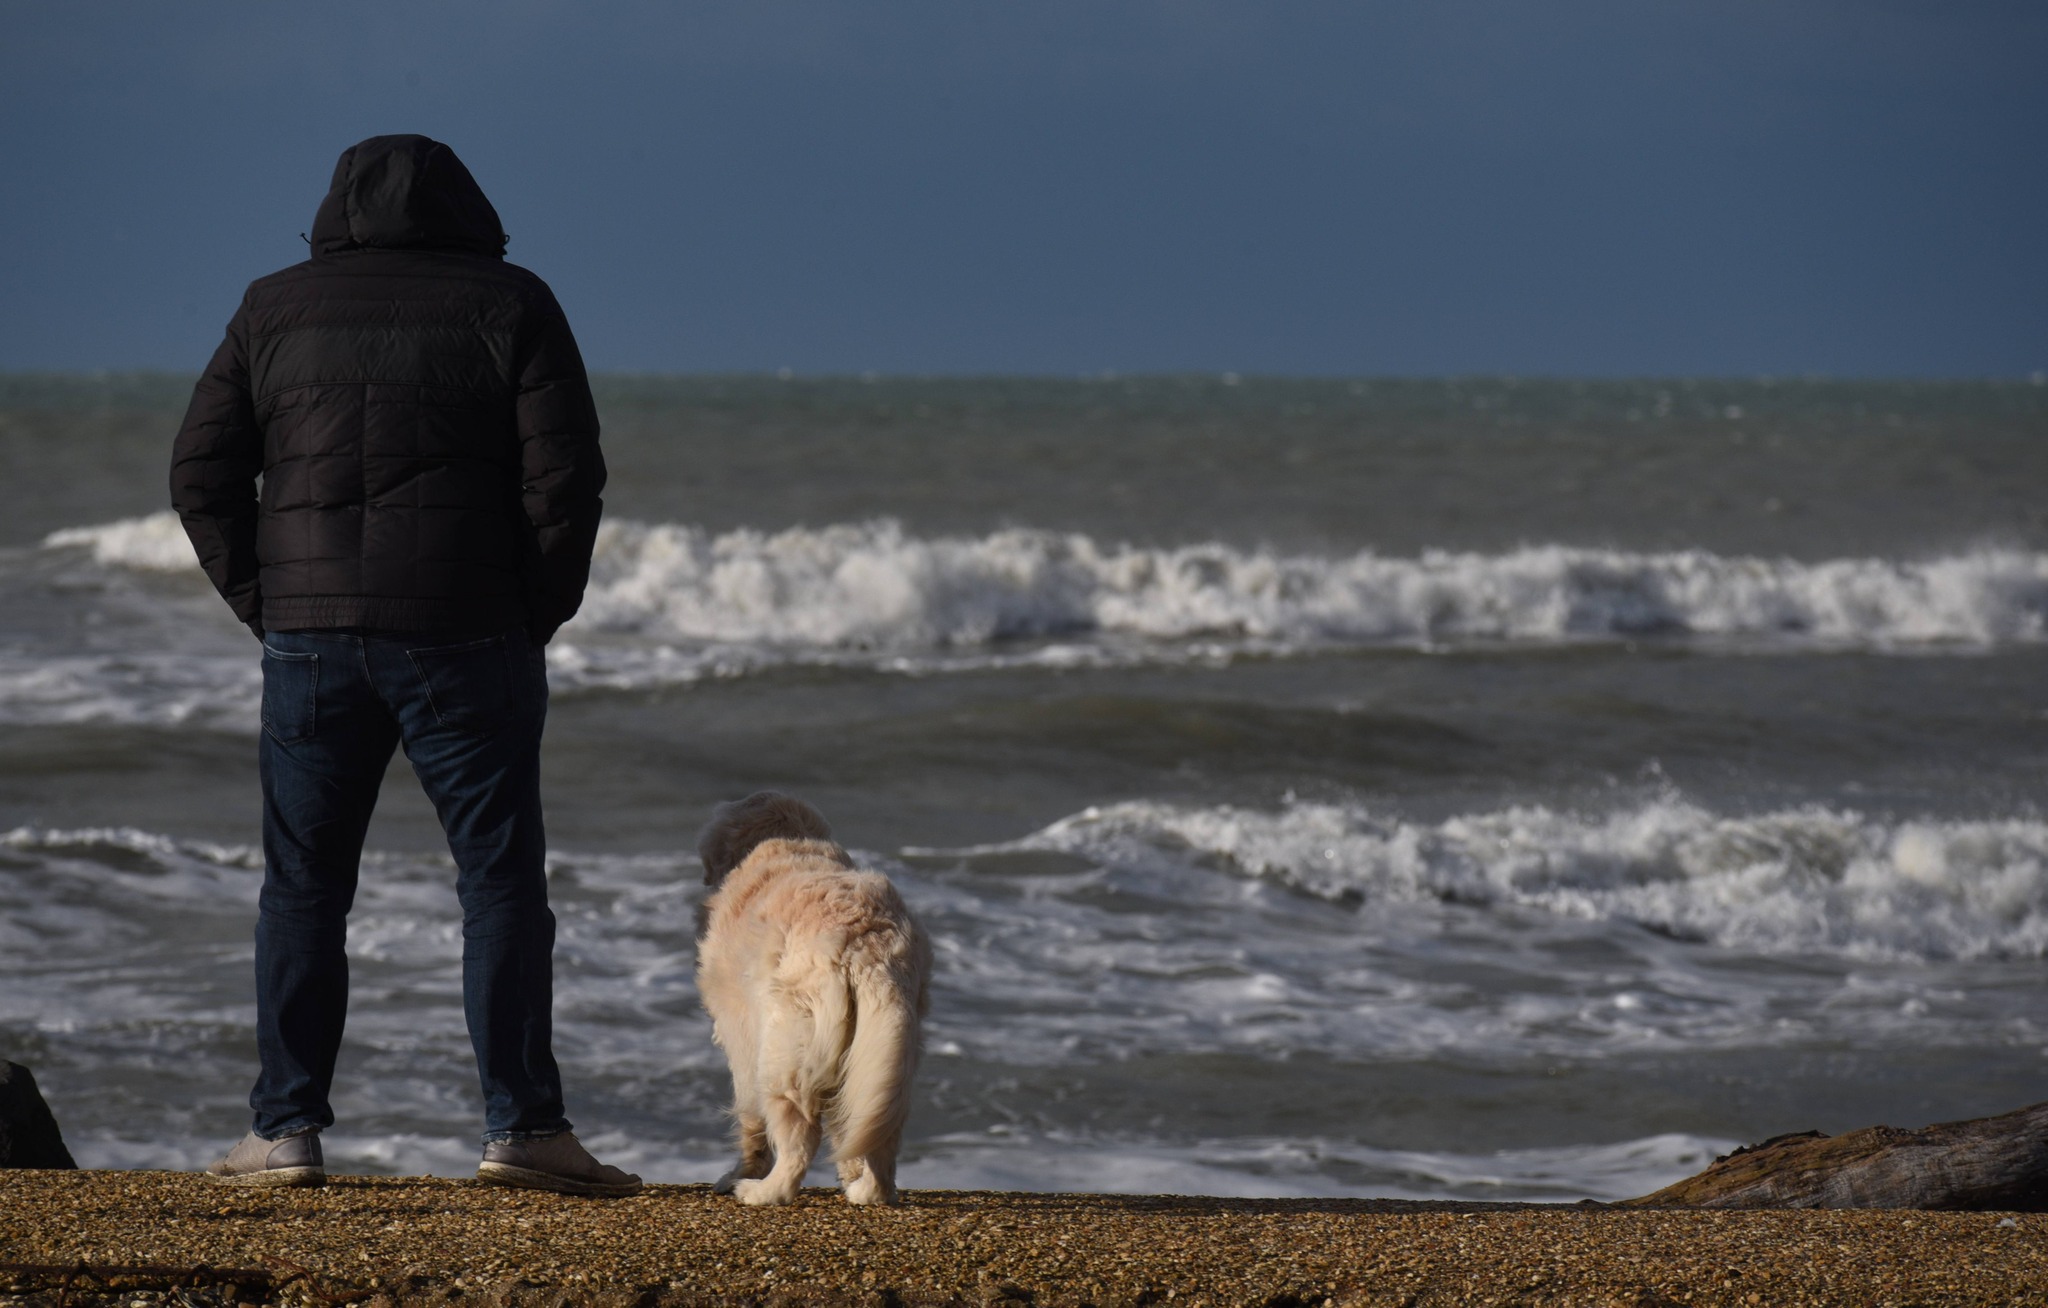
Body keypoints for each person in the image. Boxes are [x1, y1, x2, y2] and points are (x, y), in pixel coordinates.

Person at [170, 134, 636, 1196]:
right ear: (469, 207)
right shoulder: (512, 302)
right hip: (471, 634)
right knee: (500, 886)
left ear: (334, 210)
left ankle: (284, 1132)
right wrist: (533, 615)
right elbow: (566, 480)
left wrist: (269, 603)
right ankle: (523, 1132)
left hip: (311, 641)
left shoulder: (271, 305)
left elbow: (198, 473)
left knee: (301, 890)